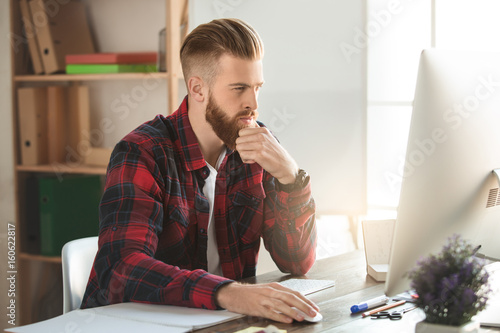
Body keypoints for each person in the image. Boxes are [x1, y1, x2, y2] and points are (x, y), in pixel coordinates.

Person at [81, 18, 318, 324]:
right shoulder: (142, 153)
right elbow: (121, 269)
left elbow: (297, 262)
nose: (254, 104)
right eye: (239, 89)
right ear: (197, 89)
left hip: (221, 321)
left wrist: (291, 175)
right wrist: (229, 293)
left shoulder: (259, 147)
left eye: (257, 88)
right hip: (130, 325)